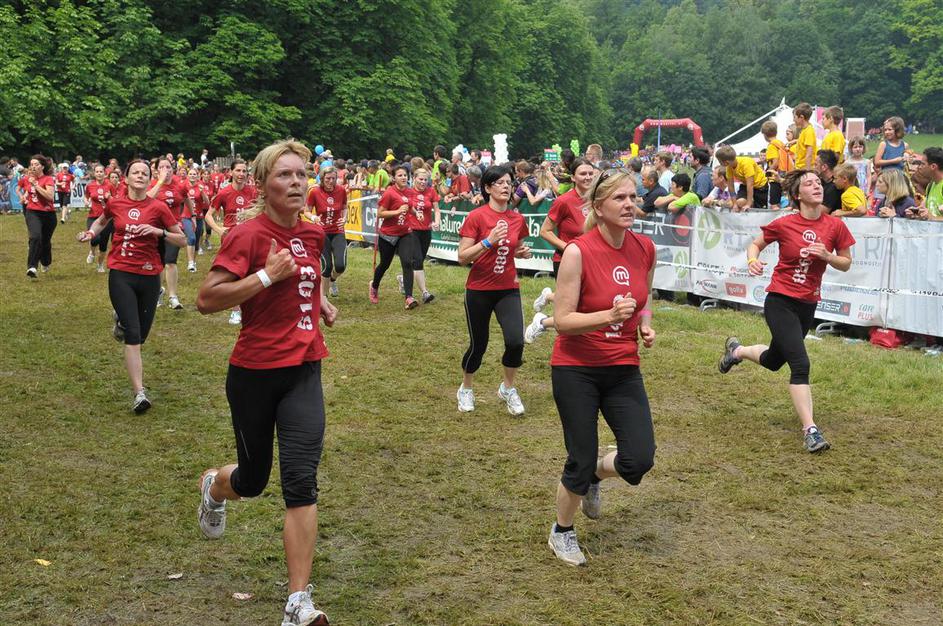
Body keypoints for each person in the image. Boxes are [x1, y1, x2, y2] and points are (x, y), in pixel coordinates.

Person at [195, 140, 335, 626]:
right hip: (254, 374)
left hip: (304, 370)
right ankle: (215, 486)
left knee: (301, 481)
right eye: (284, 175)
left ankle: (298, 602)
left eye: (301, 174)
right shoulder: (247, 235)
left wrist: (318, 303)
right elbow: (207, 299)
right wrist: (265, 277)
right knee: (253, 482)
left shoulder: (313, 233)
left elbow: (307, 277)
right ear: (262, 184)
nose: (296, 183)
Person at [546, 168, 656, 566]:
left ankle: (595, 476)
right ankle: (562, 531)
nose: (629, 205)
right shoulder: (578, 251)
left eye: (633, 197)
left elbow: (644, 296)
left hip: (623, 367)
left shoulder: (645, 248)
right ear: (598, 206)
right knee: (580, 457)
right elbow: (562, 320)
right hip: (576, 367)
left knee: (638, 459)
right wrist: (608, 317)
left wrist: (644, 323)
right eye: (619, 198)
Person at [718, 169, 854, 453]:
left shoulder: (835, 226)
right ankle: (811, 431)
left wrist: (827, 256)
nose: (817, 186)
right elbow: (756, 244)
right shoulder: (784, 223)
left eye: (818, 182)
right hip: (780, 301)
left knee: (773, 360)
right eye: (809, 183)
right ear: (797, 194)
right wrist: (753, 261)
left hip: (807, 304)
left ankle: (736, 351)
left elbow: (846, 263)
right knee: (800, 365)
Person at [77, 159, 187, 412]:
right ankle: (139, 393)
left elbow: (182, 239)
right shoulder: (115, 203)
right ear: (126, 178)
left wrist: (158, 232)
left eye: (144, 173)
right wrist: (91, 233)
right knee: (134, 336)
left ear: (150, 179)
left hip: (149, 275)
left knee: (141, 334)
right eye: (135, 172)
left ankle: (122, 321)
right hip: (121, 273)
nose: (140, 176)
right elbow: (101, 221)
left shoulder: (159, 207)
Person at [456, 164, 532, 415]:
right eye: (499, 183)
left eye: (509, 182)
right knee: (479, 344)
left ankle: (508, 388)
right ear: (487, 188)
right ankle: (466, 388)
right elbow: (462, 257)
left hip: (507, 288)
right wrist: (488, 241)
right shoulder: (477, 217)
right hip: (479, 289)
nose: (506, 186)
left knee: (515, 341)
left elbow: (516, 247)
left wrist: (521, 252)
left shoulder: (517, 219)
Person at [529, 158, 597, 344]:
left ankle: (547, 301)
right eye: (583, 174)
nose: (588, 177)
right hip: (566, 261)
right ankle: (542, 323)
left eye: (590, 173)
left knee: (587, 302)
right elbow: (545, 231)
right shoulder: (564, 201)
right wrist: (569, 247)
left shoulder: (598, 200)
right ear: (573, 177)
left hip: (592, 260)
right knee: (572, 307)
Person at [206, 159, 258, 324]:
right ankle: (235, 311)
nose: (241, 174)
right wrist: (219, 229)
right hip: (231, 239)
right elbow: (208, 215)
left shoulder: (253, 192)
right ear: (231, 172)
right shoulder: (224, 193)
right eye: (238, 171)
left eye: (244, 171)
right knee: (235, 273)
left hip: (250, 237)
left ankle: (251, 308)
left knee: (252, 272)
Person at [370, 165, 421, 309]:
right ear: (393, 178)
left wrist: (416, 213)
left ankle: (409, 298)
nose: (403, 177)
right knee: (385, 264)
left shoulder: (409, 191)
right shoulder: (389, 193)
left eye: (405, 175)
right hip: (388, 235)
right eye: (400, 175)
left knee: (407, 262)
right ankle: (374, 286)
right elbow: (380, 213)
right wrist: (397, 212)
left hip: (405, 232)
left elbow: (409, 206)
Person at [148, 157, 193, 310]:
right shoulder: (152, 185)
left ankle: (173, 296)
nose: (166, 170)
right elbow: (146, 199)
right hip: (154, 228)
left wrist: (192, 216)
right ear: (156, 170)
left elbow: (186, 199)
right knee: (158, 263)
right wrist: (160, 182)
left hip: (174, 228)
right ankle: (157, 291)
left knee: (170, 261)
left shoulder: (180, 185)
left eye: (168, 167)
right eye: (162, 167)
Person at [305, 165, 348, 298]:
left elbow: (345, 207)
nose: (331, 181)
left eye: (333, 178)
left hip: (338, 231)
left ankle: (332, 280)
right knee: (326, 266)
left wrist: (344, 218)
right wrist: (314, 218)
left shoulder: (341, 190)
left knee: (340, 266)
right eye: (328, 178)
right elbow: (306, 211)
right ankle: (323, 299)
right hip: (322, 232)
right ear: (322, 178)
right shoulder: (315, 192)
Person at [405, 167, 441, 303]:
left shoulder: (431, 191)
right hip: (411, 230)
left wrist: (436, 222)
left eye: (426, 180)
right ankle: (425, 292)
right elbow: (406, 208)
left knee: (418, 261)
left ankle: (403, 278)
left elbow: (436, 210)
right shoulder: (408, 192)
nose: (423, 182)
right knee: (418, 260)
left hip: (426, 230)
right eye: (420, 179)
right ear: (414, 179)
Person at [18, 154, 57, 278]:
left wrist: (36, 185)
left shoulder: (48, 179)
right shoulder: (28, 179)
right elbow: (27, 192)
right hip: (33, 212)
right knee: (35, 237)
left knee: (45, 241)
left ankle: (45, 262)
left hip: (49, 214)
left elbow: (49, 196)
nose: (33, 167)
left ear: (42, 166)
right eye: (32, 164)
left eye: (36, 164)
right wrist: (24, 197)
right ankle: (32, 267)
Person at [715, 146, 769, 211]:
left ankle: (752, 204)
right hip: (745, 185)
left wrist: (748, 204)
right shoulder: (729, 167)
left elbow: (750, 185)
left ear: (726, 162)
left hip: (760, 186)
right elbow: (731, 187)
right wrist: (734, 204)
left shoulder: (746, 164)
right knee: (739, 202)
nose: (719, 163)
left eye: (719, 162)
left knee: (759, 208)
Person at [84, 164, 115, 272]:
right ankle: (92, 252)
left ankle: (100, 265)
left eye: (101, 172)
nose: (99, 174)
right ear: (94, 173)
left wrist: (109, 197)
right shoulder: (90, 185)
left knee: (103, 243)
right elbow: (86, 197)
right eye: (97, 172)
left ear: (105, 173)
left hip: (107, 218)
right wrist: (86, 202)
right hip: (93, 216)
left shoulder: (110, 185)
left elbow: (116, 201)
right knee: (94, 238)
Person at [762, 120, 792, 210]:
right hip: (785, 173)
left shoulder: (771, 146)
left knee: (774, 204)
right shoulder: (780, 143)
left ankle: (777, 217)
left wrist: (767, 172)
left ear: (764, 135)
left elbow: (775, 162)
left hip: (775, 177)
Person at [185, 166, 210, 268]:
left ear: (198, 176)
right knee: (191, 238)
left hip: (199, 217)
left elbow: (207, 203)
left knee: (196, 241)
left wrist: (202, 192)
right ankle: (190, 262)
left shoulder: (200, 187)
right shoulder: (183, 186)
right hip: (186, 216)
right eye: (190, 174)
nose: (192, 175)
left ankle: (193, 262)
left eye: (194, 174)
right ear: (187, 176)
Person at [916, 147, 942, 221]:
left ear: (933, 166)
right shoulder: (930, 186)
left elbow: (931, 217)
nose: (919, 167)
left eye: (923, 164)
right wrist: (916, 213)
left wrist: (932, 218)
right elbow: (925, 210)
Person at [814, 150, 841, 214]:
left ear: (824, 167)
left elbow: (823, 211)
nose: (814, 167)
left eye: (816, 165)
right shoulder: (822, 181)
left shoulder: (834, 186)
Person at [793, 103, 816, 170]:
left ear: (801, 117)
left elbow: (809, 154)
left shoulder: (809, 131)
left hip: (804, 169)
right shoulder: (804, 130)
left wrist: (807, 172)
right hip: (799, 168)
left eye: (794, 117)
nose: (793, 120)